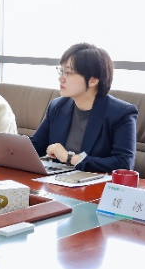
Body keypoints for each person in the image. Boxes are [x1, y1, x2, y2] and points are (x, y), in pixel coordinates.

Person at [30, 43, 137, 173]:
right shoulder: (57, 106)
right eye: (61, 71)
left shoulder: (121, 113)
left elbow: (124, 164)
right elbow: (35, 146)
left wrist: (70, 158)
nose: (61, 78)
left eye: (68, 72)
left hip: (95, 182)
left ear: (93, 80)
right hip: (56, 180)